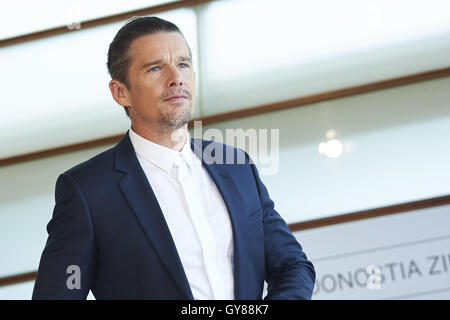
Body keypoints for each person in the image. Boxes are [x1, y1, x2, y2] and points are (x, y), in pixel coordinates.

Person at [32, 16, 315, 300]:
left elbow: (292, 265)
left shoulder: (236, 165)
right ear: (121, 92)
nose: (176, 78)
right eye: (155, 68)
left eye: (183, 64)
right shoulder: (89, 192)